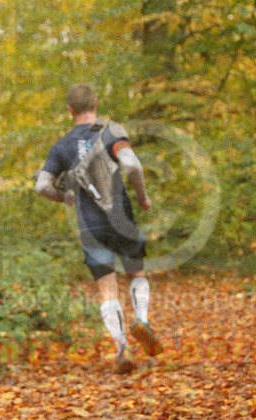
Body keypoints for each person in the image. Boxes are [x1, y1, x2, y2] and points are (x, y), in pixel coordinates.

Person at [35, 84, 162, 374]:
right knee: (136, 273)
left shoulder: (61, 146)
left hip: (90, 225)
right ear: (95, 102)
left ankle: (121, 346)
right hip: (121, 218)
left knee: (106, 288)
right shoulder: (112, 132)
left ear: (70, 110)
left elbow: (42, 185)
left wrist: (64, 197)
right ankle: (141, 319)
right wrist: (143, 198)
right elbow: (133, 167)